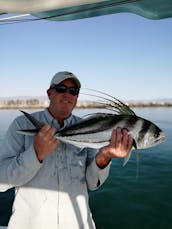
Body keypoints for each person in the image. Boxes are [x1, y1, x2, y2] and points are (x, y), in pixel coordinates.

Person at [0, 71, 133, 229]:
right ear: (49, 93)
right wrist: (36, 154)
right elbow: (2, 182)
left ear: (77, 97)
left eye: (73, 91)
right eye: (61, 88)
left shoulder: (89, 127)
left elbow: (92, 184)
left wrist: (105, 156)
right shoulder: (21, 125)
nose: (67, 94)